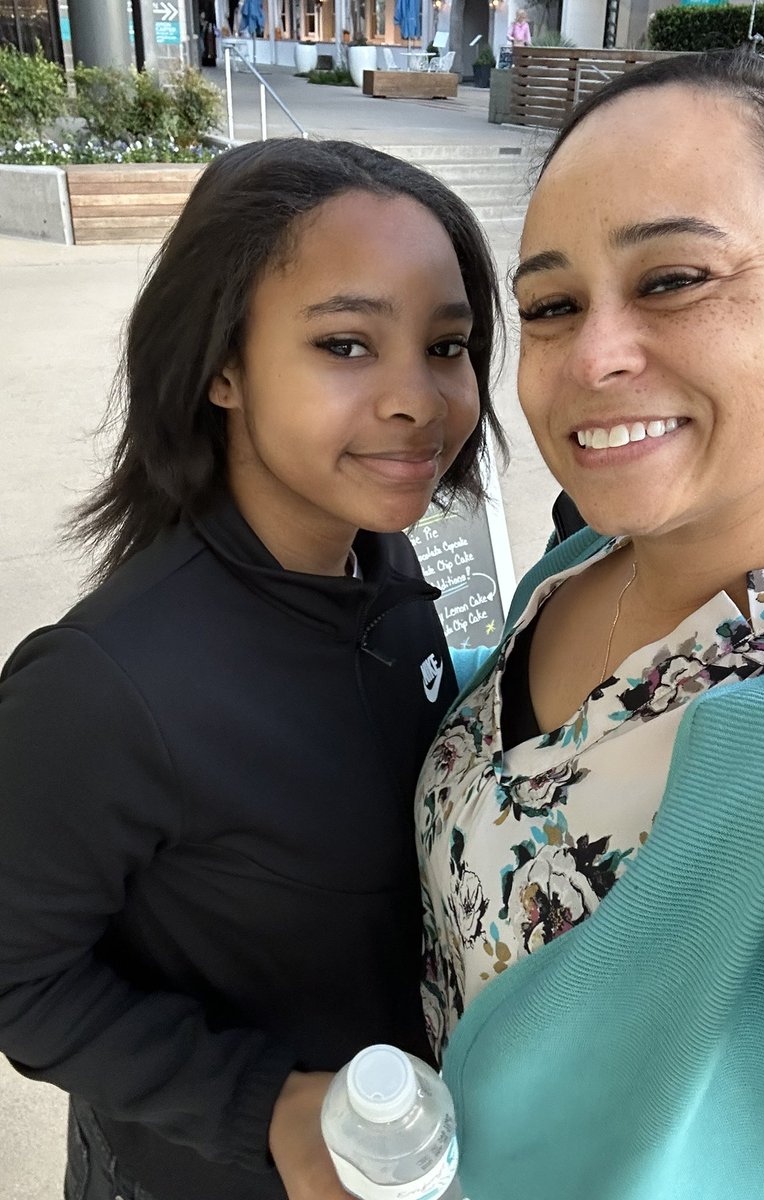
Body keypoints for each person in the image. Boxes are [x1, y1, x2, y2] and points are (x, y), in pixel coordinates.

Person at [417, 50, 764, 1199]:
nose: (593, 358)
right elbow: (535, 750)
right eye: (550, 305)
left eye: (676, 278)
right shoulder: (591, 556)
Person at [0, 136, 504, 1200]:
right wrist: (262, 1106)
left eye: (448, 344)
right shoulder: (104, 686)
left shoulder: (385, 559)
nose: (419, 399)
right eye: (347, 345)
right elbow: (20, 977)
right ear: (223, 364)